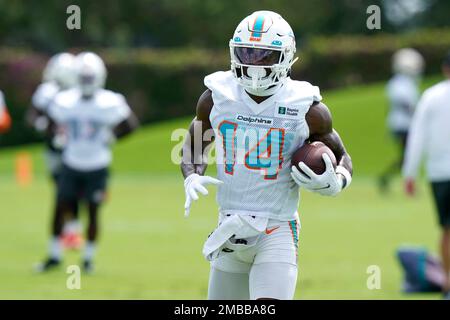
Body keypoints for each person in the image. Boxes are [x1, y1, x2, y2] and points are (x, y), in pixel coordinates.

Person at [180, 11, 353, 300]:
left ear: (286, 56)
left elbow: (343, 156)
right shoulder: (217, 96)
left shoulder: (305, 106)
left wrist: (338, 180)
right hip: (230, 226)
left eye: (265, 55)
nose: (255, 64)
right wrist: (191, 175)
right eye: (247, 53)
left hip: (277, 230)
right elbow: (194, 145)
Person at [35, 52, 139, 273]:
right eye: (83, 78)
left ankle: (88, 259)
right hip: (71, 162)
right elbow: (49, 122)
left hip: (97, 164)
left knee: (92, 211)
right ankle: (54, 255)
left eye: (90, 78)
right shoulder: (65, 100)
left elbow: (130, 124)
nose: (86, 83)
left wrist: (112, 137)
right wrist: (57, 137)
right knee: (60, 207)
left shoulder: (110, 101)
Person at [403, 51, 450, 300]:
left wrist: (410, 173)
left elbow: (417, 137)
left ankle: (448, 285)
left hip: (439, 174)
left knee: (447, 229)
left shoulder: (430, 96)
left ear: (445, 68)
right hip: (440, 172)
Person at [26, 53, 83, 250]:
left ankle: (71, 231)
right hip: (53, 149)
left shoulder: (79, 91)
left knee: (73, 190)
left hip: (75, 148)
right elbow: (32, 116)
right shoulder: (47, 91)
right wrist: (43, 125)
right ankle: (69, 232)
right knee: (63, 190)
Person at [379, 48, 424, 193]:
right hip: (403, 126)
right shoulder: (398, 83)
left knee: (406, 156)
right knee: (407, 156)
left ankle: (388, 179)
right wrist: (418, 114)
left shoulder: (408, 83)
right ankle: (402, 183)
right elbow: (404, 104)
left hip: (407, 125)